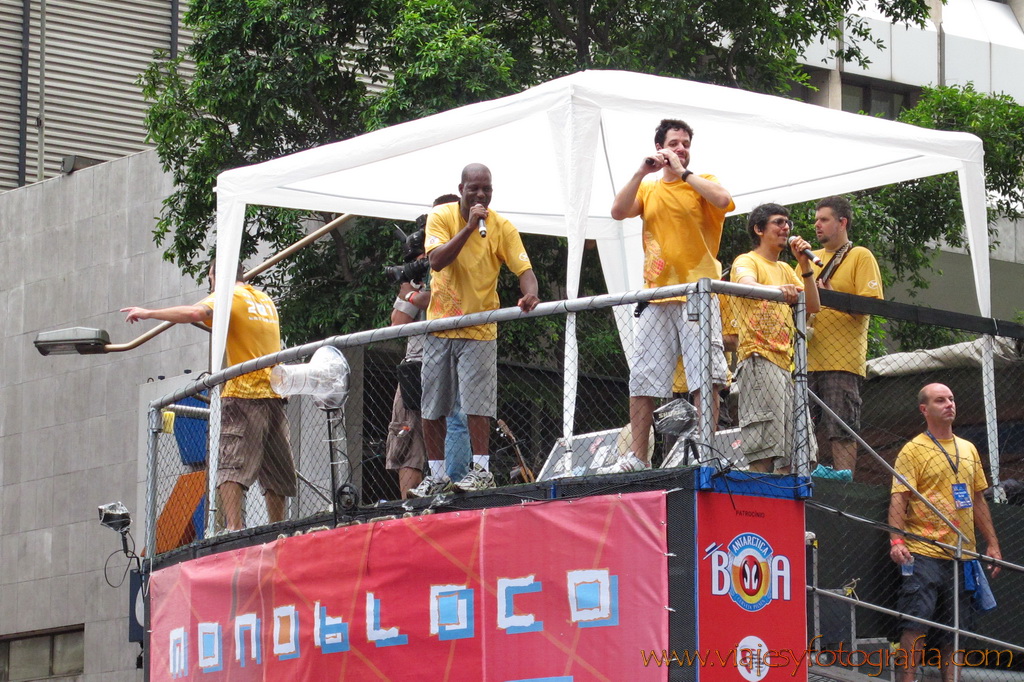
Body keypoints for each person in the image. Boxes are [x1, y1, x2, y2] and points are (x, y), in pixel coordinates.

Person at [122, 261, 295, 531]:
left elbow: (194, 312)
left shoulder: (230, 297)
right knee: (276, 468)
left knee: (231, 462)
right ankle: (278, 528)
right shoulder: (263, 299)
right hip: (274, 392)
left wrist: (148, 312)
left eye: (211, 278)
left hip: (243, 392)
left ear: (215, 276)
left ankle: (233, 526)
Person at [603, 118, 735, 473]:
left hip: (696, 293)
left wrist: (685, 172)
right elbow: (617, 212)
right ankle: (636, 457)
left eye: (686, 143)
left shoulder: (702, 182)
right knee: (643, 376)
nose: (681, 149)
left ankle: (706, 451)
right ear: (660, 146)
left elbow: (724, 200)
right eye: (674, 143)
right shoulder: (648, 189)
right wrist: (641, 171)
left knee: (705, 376)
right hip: (656, 295)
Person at [409, 163, 540, 497]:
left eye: (487, 189)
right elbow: (436, 261)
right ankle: (437, 475)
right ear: (461, 189)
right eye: (474, 189)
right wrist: (468, 228)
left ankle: (481, 471)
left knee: (477, 404)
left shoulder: (502, 227)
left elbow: (523, 267)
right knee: (433, 405)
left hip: (480, 328)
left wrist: (531, 292)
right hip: (440, 325)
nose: (481, 195)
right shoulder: (442, 216)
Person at [888, 383, 1001, 682]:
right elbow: (899, 497)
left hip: (962, 554)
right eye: (940, 400)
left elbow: (977, 499)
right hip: (923, 550)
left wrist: (992, 544)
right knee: (915, 624)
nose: (949, 404)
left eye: (951, 398)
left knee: (957, 629)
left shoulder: (969, 449)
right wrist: (896, 540)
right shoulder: (912, 450)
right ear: (924, 409)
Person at [729, 203, 820, 473]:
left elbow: (813, 305)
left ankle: (785, 508)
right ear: (759, 229)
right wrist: (777, 290)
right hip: (759, 358)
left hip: (787, 365)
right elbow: (745, 285)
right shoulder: (747, 260)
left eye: (787, 223)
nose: (786, 228)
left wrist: (804, 265)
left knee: (795, 451)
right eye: (778, 222)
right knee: (765, 446)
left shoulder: (784, 268)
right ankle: (761, 506)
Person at [808, 195, 883, 479]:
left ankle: (844, 486)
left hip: (842, 362)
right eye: (816, 220)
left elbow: (870, 305)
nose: (817, 225)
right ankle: (807, 480)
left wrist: (828, 297)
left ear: (843, 222)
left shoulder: (859, 255)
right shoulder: (807, 261)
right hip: (805, 362)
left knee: (842, 428)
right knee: (802, 429)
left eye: (824, 219)